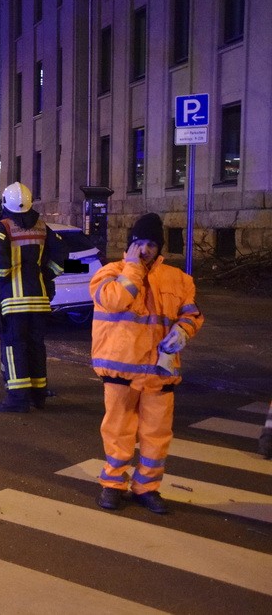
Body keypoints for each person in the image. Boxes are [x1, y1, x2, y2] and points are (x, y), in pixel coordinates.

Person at [91, 212, 204, 514]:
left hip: (159, 372)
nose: (145, 249)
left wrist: (184, 330)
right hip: (121, 371)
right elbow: (114, 300)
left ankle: (147, 487)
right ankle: (112, 485)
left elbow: (191, 314)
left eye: (151, 243)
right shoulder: (110, 273)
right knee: (118, 432)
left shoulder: (179, 279)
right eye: (139, 242)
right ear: (129, 245)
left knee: (156, 436)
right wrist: (132, 268)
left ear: (160, 247)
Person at [0, 182, 67, 413]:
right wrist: (46, 274)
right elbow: (61, 254)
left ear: (4, 203)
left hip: (13, 301)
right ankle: (38, 395)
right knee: (36, 347)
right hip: (39, 300)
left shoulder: (1, 228)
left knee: (14, 347)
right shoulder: (42, 227)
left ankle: (17, 399)